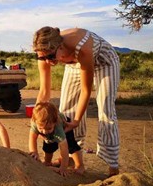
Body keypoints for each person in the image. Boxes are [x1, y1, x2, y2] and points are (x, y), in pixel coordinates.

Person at [33, 26, 120, 177]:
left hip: (103, 61)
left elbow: (86, 91)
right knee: (66, 113)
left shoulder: (82, 47)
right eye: (42, 58)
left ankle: (113, 167)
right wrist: (36, 120)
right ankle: (74, 160)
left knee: (105, 110)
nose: (47, 61)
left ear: (60, 47)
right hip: (74, 64)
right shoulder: (44, 52)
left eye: (51, 56)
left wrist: (77, 121)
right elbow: (44, 91)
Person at [29, 102, 84, 176]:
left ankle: (80, 165)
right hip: (52, 131)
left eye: (48, 128)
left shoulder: (58, 128)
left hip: (65, 126)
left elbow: (64, 149)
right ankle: (48, 162)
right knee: (48, 147)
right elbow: (32, 138)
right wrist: (34, 151)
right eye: (41, 128)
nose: (44, 131)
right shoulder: (35, 123)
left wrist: (63, 168)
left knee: (71, 146)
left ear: (54, 123)